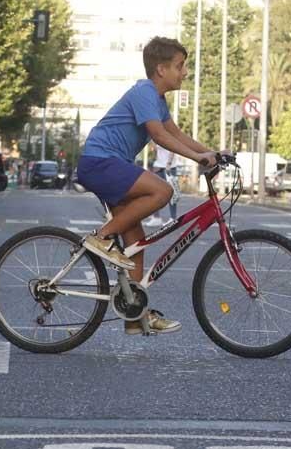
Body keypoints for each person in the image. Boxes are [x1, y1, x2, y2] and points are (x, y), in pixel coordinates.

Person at [76, 37, 219, 335]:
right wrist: (197, 158)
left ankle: (133, 314)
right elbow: (158, 135)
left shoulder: (157, 99)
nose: (185, 72)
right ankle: (101, 237)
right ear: (161, 68)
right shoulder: (144, 91)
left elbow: (175, 134)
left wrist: (212, 153)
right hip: (100, 162)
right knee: (162, 190)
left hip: (112, 165)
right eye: (180, 66)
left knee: (136, 246)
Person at [152, 144, 181, 220]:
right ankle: (156, 218)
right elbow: (156, 151)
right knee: (155, 191)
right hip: (159, 166)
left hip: (169, 167)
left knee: (172, 193)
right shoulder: (155, 135)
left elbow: (172, 149)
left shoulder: (168, 133)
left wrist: (169, 163)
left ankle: (173, 218)